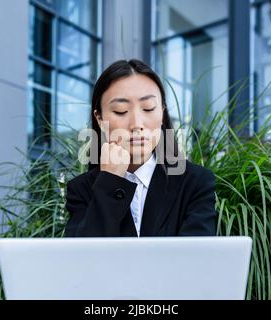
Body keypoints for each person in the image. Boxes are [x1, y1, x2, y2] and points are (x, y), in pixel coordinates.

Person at [64, 59, 216, 237]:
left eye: (148, 108)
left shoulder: (195, 182)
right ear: (99, 118)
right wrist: (110, 182)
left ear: (162, 112)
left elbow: (197, 259)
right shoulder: (81, 189)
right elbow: (83, 260)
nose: (137, 124)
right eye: (121, 111)